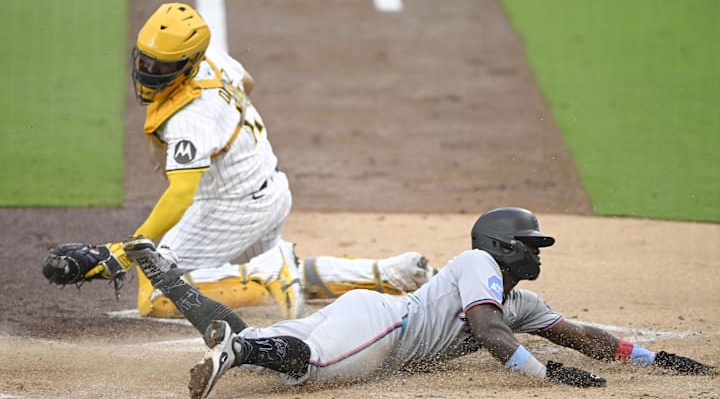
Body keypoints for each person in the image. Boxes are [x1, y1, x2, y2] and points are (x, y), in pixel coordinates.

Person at [40, 2, 434, 319]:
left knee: (158, 291)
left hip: (231, 206)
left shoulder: (189, 119)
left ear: (187, 64)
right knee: (278, 269)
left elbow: (180, 195)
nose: (149, 73)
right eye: (145, 62)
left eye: (161, 68)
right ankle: (392, 273)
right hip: (269, 185)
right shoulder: (213, 59)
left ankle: (266, 276)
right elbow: (247, 83)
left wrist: (125, 252)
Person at [119, 207, 714, 398]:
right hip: (383, 329)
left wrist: (658, 362)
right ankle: (239, 353)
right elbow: (487, 332)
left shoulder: (520, 299)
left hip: (371, 321)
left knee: (288, 343)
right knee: (312, 363)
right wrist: (549, 374)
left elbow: (586, 336)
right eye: (531, 245)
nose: (538, 254)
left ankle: (175, 284)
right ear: (503, 245)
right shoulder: (479, 267)